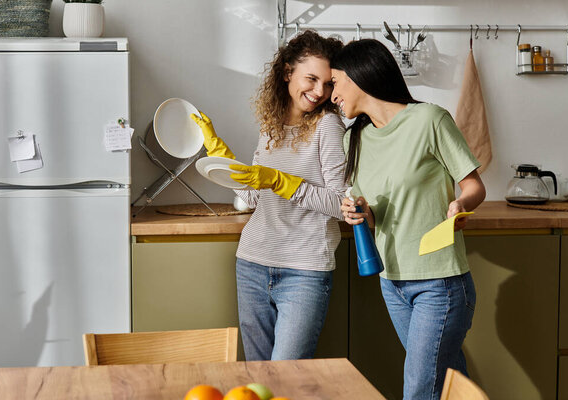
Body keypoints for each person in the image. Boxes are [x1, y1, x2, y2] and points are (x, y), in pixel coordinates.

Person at [330, 39, 486, 400]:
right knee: (447, 378)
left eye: (335, 82)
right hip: (393, 281)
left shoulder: (429, 120)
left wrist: (461, 203)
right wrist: (361, 213)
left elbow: (474, 185)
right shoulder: (354, 140)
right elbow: (376, 215)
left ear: (358, 75)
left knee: (420, 387)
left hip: (440, 284)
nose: (332, 94)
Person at [191, 30, 347, 361]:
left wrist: (281, 181)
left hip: (305, 270)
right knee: (257, 379)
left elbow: (339, 204)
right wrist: (219, 153)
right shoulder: (271, 125)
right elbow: (254, 196)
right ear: (288, 72)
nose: (320, 91)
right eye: (312, 78)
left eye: (328, 83)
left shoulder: (329, 127)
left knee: (285, 378)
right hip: (252, 262)